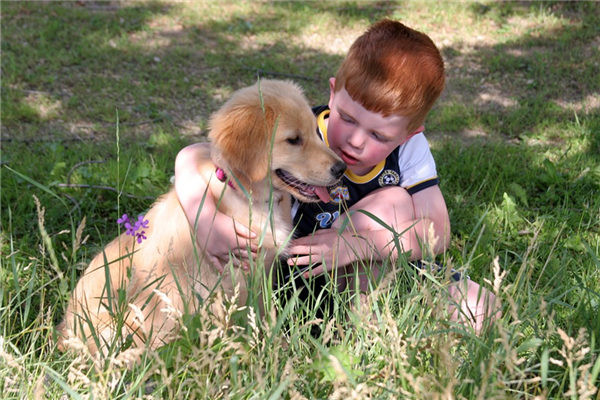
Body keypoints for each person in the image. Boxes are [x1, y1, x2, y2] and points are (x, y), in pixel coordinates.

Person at [174, 19, 499, 333]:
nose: (355, 140)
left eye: (379, 136)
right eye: (347, 118)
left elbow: (437, 230)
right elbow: (198, 154)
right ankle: (348, 331)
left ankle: (374, 327)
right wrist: (204, 223)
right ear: (333, 93)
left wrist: (355, 246)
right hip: (294, 279)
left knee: (482, 307)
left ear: (408, 134)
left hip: (374, 264)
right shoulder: (303, 129)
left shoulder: (411, 150)